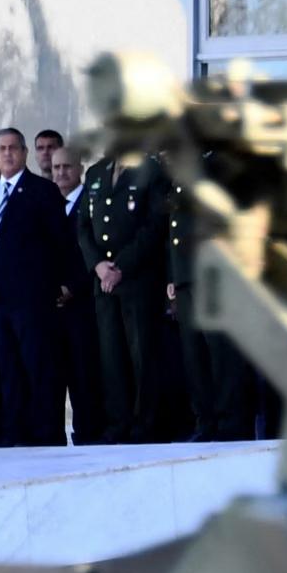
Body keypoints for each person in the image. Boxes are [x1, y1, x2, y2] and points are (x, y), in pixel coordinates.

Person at [77, 152, 169, 443]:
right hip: (104, 281)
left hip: (136, 279)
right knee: (111, 355)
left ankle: (145, 425)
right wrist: (98, 265)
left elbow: (154, 226)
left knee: (142, 354)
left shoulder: (151, 171)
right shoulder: (95, 173)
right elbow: (83, 226)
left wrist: (122, 266)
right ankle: (118, 423)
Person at [0, 128, 67, 446]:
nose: (7, 154)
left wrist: (63, 283)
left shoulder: (42, 190)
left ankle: (45, 433)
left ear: (24, 153)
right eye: (1, 148)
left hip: (33, 296)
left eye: (13, 148)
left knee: (38, 368)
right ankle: (14, 431)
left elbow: (60, 241)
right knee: (6, 369)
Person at [168, 165, 254, 442]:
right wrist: (173, 275)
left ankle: (232, 423)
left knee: (222, 355)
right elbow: (173, 231)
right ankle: (206, 422)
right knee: (196, 358)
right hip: (185, 277)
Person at [53, 146, 106, 445]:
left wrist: (72, 286)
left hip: (83, 303)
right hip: (53, 307)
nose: (61, 172)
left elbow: (92, 249)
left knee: (85, 375)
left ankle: (89, 433)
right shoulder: (49, 203)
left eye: (67, 167)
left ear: (80, 169)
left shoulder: (90, 201)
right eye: (57, 167)